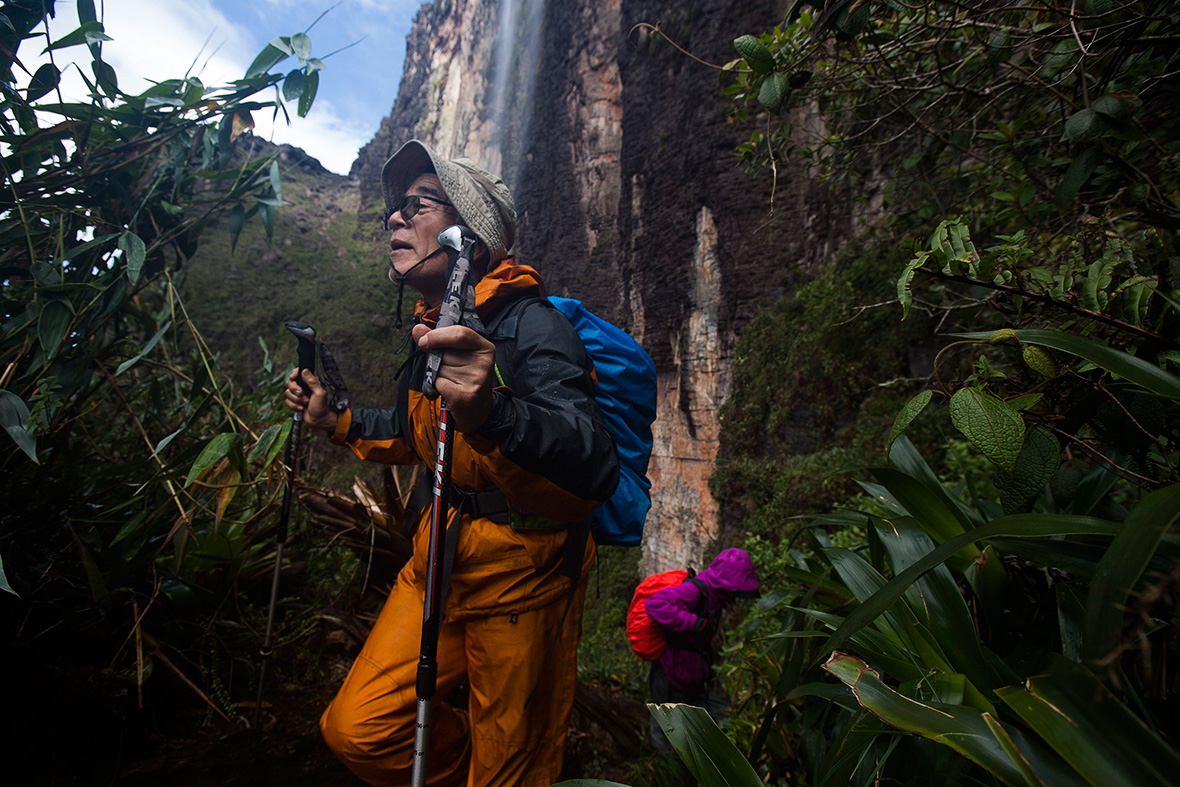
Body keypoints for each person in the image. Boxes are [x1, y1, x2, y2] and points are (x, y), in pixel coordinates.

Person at [284, 139, 620, 787]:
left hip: (521, 581)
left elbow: (590, 459)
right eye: (396, 206)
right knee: (356, 728)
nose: (394, 217)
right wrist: (337, 420)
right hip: (436, 563)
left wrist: (492, 410)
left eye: (419, 203)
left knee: (508, 772)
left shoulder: (531, 327)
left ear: (471, 231)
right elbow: (421, 434)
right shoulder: (432, 329)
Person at [644, 548, 759, 718]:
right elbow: (655, 605)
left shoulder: (717, 595)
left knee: (722, 714)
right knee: (668, 728)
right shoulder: (695, 591)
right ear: (727, 584)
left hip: (699, 668)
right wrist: (694, 623)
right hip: (673, 669)